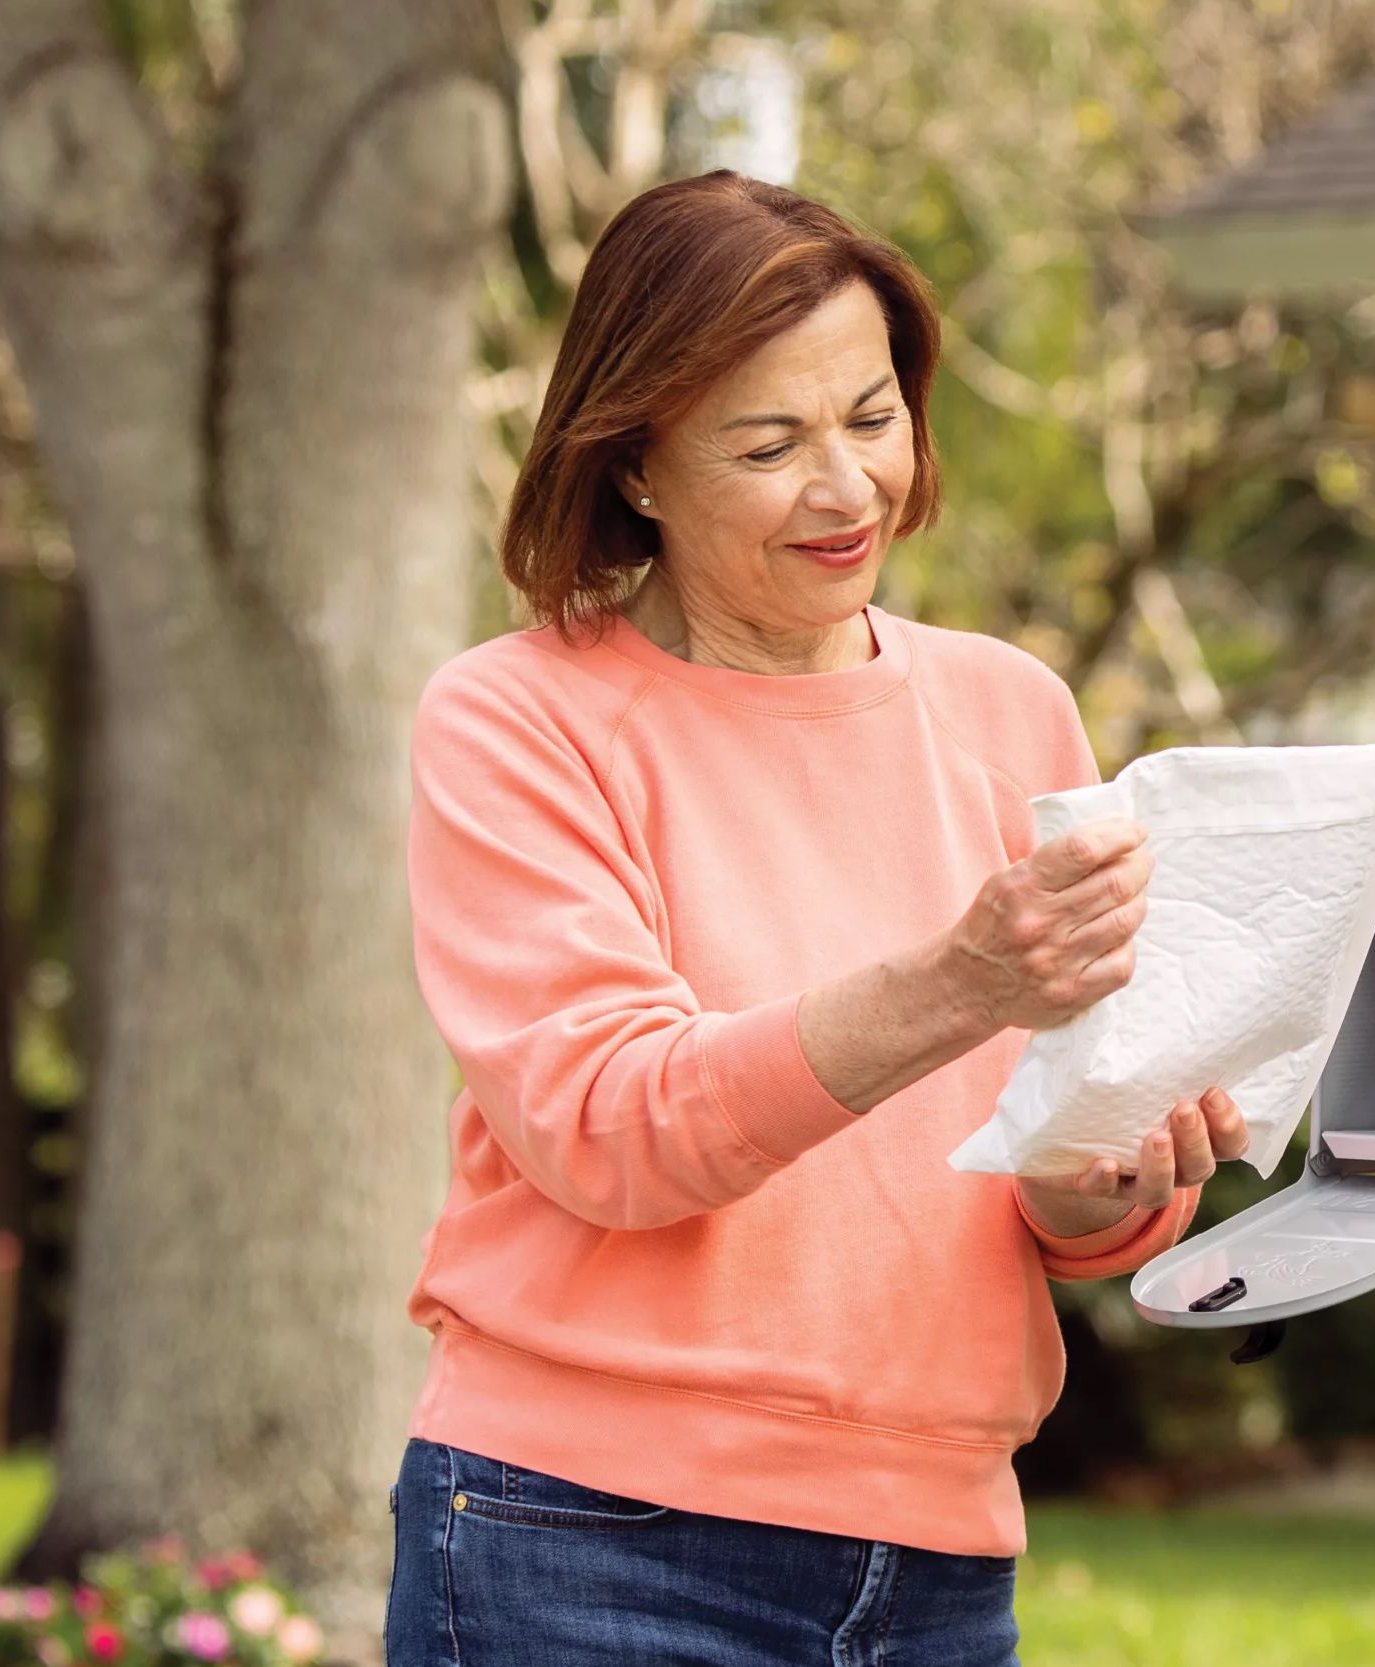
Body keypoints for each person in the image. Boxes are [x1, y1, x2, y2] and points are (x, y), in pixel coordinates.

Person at [383, 170, 1249, 1667]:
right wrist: (959, 981)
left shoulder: (1008, 708)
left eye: (871, 418)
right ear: (638, 466)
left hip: (940, 1559)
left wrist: (1108, 1191)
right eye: (771, 443)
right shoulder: (520, 720)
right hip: (580, 1544)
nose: (848, 489)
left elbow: (1057, 1167)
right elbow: (609, 1128)